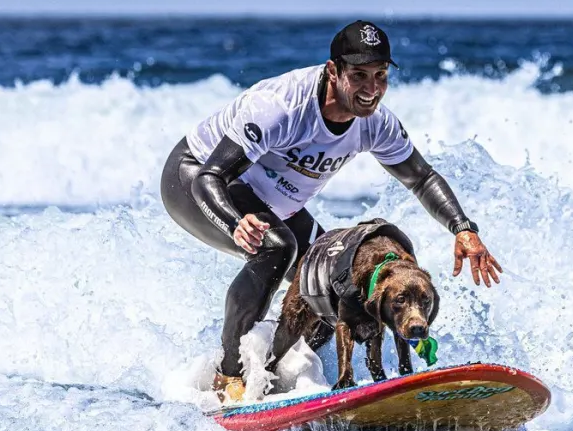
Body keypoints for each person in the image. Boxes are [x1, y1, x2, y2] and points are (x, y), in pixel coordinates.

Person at [159, 20, 502, 402]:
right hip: (195, 180)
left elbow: (422, 178)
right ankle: (229, 378)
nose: (371, 90)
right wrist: (235, 222)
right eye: (359, 76)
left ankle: (280, 371)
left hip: (271, 200)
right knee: (277, 247)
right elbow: (210, 176)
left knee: (332, 282)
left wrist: (462, 228)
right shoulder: (282, 107)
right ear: (333, 71)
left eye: (380, 76)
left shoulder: (375, 123)